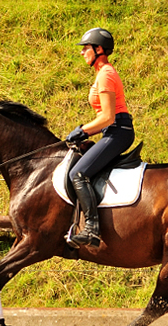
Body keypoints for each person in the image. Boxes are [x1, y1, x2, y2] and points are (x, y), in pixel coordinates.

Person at [65, 27, 135, 248]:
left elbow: (107, 117)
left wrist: (83, 130)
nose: (82, 52)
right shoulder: (102, 73)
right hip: (112, 131)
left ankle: (92, 229)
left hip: (117, 131)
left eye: (86, 48)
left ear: (98, 49)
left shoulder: (105, 75)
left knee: (78, 173)